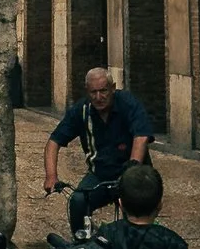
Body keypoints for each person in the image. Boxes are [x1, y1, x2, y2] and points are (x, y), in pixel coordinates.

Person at [43, 65, 154, 232]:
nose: (98, 97)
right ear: (87, 91)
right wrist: (51, 176)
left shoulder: (127, 103)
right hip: (100, 174)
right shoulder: (82, 111)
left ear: (113, 88)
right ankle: (82, 246)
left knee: (136, 214)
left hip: (133, 172)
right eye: (93, 92)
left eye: (103, 91)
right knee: (78, 201)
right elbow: (53, 142)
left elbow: (141, 136)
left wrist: (133, 167)